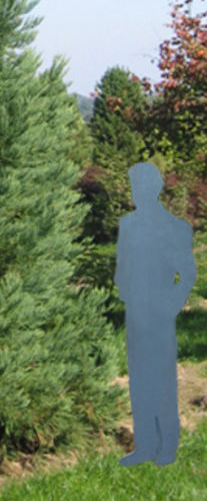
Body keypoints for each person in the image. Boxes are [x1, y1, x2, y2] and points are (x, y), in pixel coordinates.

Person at [114, 161, 196, 466]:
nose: (137, 193)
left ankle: (167, 448)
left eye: (142, 186)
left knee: (162, 378)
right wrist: (124, 288)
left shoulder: (175, 228)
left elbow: (186, 273)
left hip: (161, 311)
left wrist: (171, 305)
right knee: (139, 378)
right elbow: (122, 266)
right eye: (134, 186)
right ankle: (145, 445)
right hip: (135, 310)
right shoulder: (127, 225)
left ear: (156, 188)